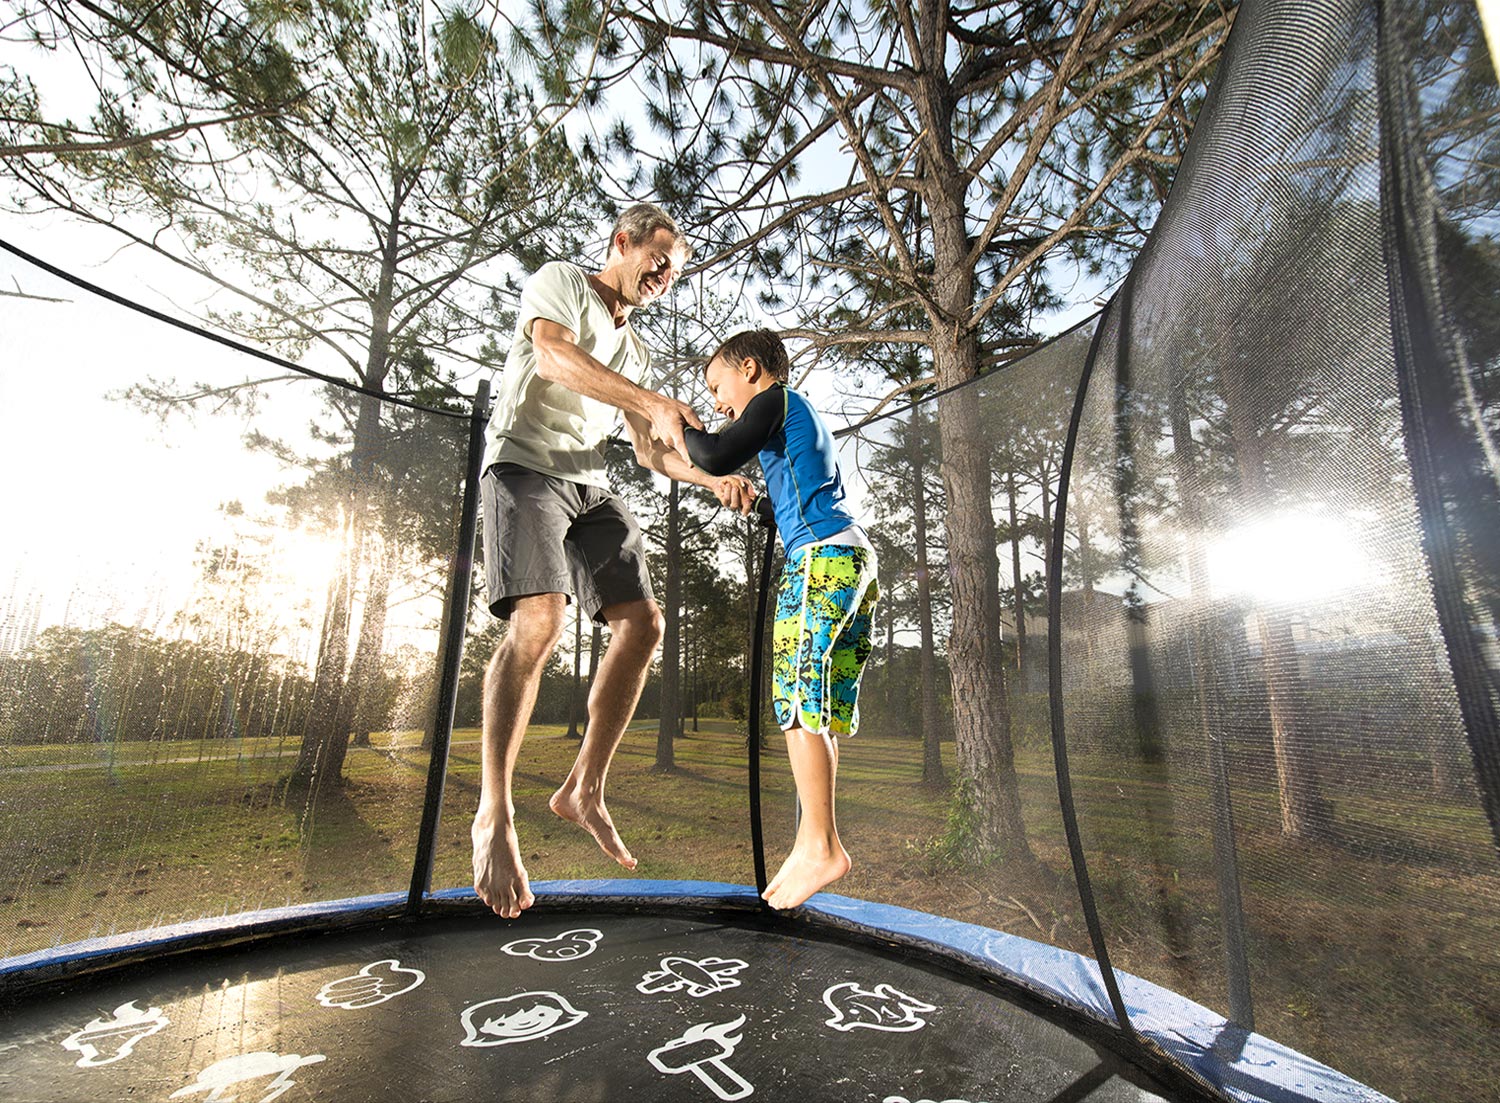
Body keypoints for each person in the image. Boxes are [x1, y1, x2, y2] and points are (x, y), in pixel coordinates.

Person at [472, 203, 757, 919]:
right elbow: (554, 358)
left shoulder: (638, 354)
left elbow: (648, 449)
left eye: (675, 272)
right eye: (658, 259)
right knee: (540, 623)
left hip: (588, 484)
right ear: (622, 243)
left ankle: (584, 788)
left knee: (644, 624)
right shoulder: (562, 282)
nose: (665, 276)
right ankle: (494, 813)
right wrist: (652, 399)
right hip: (524, 469)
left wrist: (710, 477)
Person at [679, 329, 880, 910]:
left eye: (718, 387)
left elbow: (713, 452)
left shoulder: (777, 398)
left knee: (794, 699)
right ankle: (817, 840)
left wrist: (683, 426)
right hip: (849, 556)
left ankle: (820, 845)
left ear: (750, 368)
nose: (718, 403)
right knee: (815, 707)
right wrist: (757, 502)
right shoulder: (796, 418)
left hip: (821, 559)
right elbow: (797, 491)